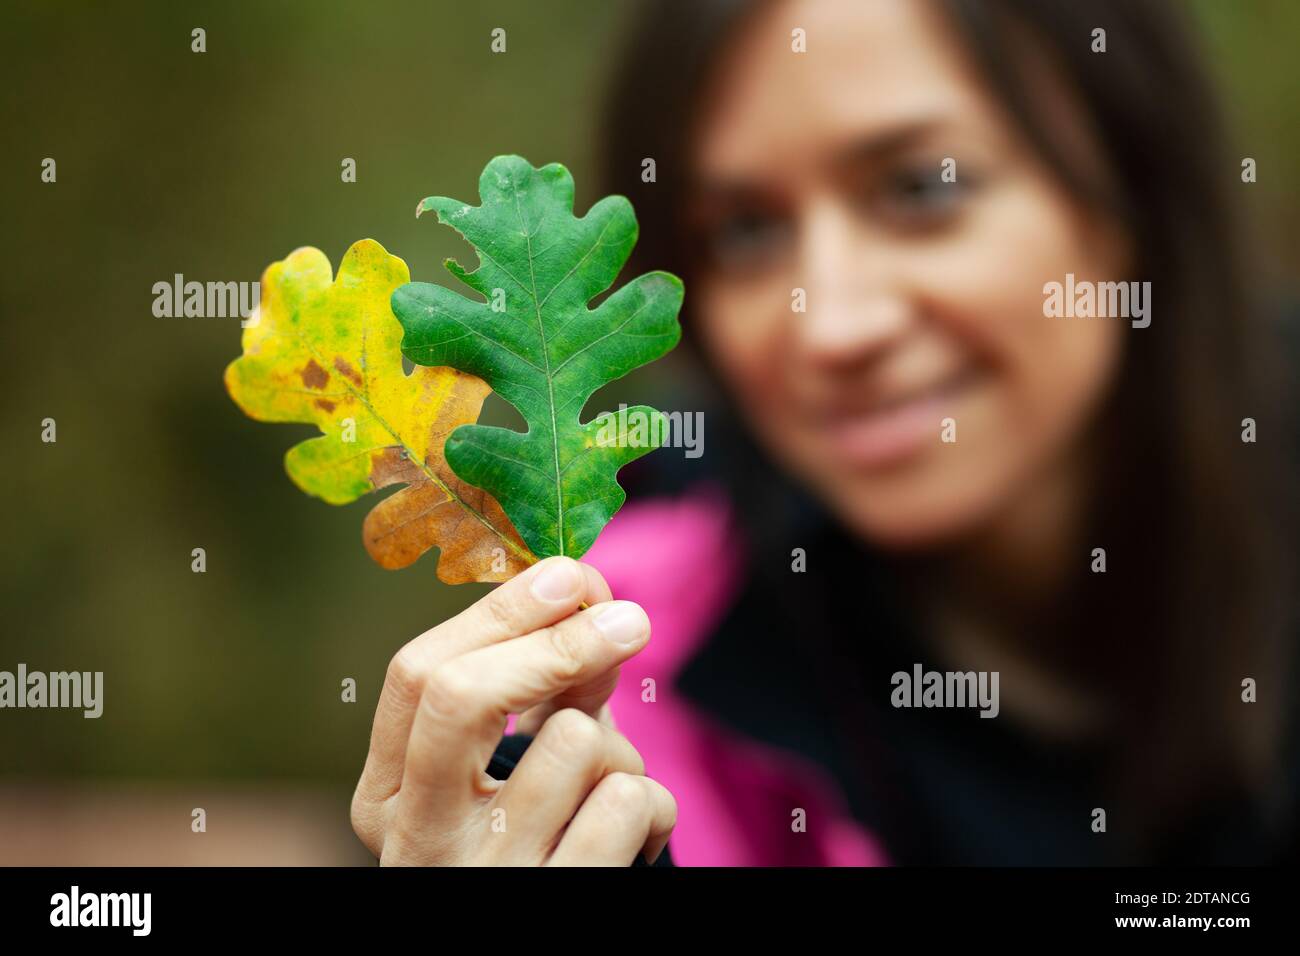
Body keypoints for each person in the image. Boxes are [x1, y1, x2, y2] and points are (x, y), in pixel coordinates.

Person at [350, 0, 1296, 865]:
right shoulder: (620, 666)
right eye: (747, 231)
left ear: (1130, 194)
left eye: (923, 189)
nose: (832, 325)